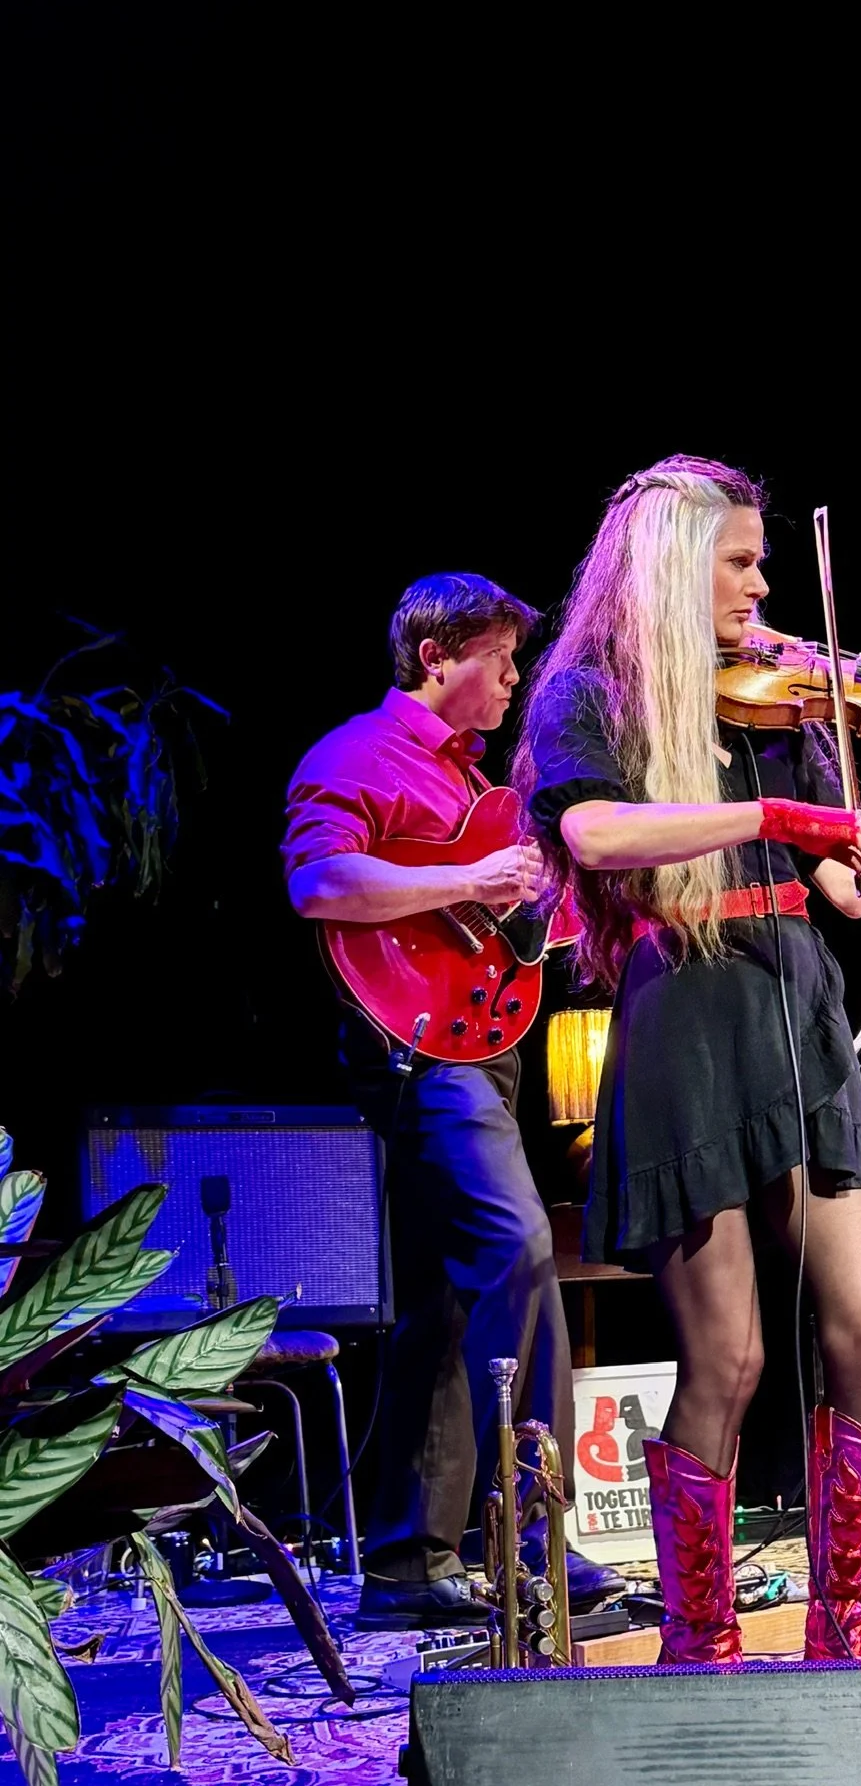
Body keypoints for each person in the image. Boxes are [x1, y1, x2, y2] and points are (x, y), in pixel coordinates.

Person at [513, 454, 861, 1663]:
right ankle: (700, 1640)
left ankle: (845, 1631)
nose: (764, 587)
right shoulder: (591, 697)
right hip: (690, 1013)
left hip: (798, 1001)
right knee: (734, 1356)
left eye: (764, 559)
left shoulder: (778, 702)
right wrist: (766, 816)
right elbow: (596, 831)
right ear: (670, 566)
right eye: (741, 562)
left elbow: (860, 885)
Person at [283, 571, 620, 1629]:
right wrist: (469, 881)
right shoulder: (354, 755)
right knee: (519, 1251)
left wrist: (559, 917)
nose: (517, 679)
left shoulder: (489, 782)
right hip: (418, 1058)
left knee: (444, 1295)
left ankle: (404, 1566)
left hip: (484, 1047)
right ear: (438, 658)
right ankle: (537, 1543)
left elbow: (515, 928)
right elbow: (321, 885)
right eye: (501, 659)